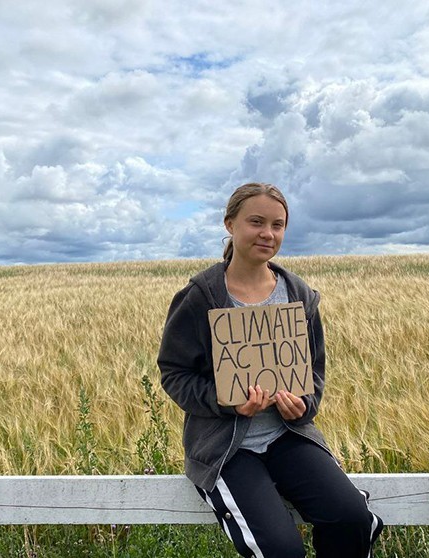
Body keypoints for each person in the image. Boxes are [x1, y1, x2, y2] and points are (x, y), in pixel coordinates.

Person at [158, 183, 384, 558]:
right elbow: (174, 373)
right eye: (256, 222)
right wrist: (225, 401)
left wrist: (304, 404)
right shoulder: (201, 296)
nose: (268, 233)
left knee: (351, 518)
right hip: (226, 448)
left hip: (288, 436)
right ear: (230, 224)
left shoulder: (298, 295)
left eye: (278, 225)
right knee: (280, 549)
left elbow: (314, 373)